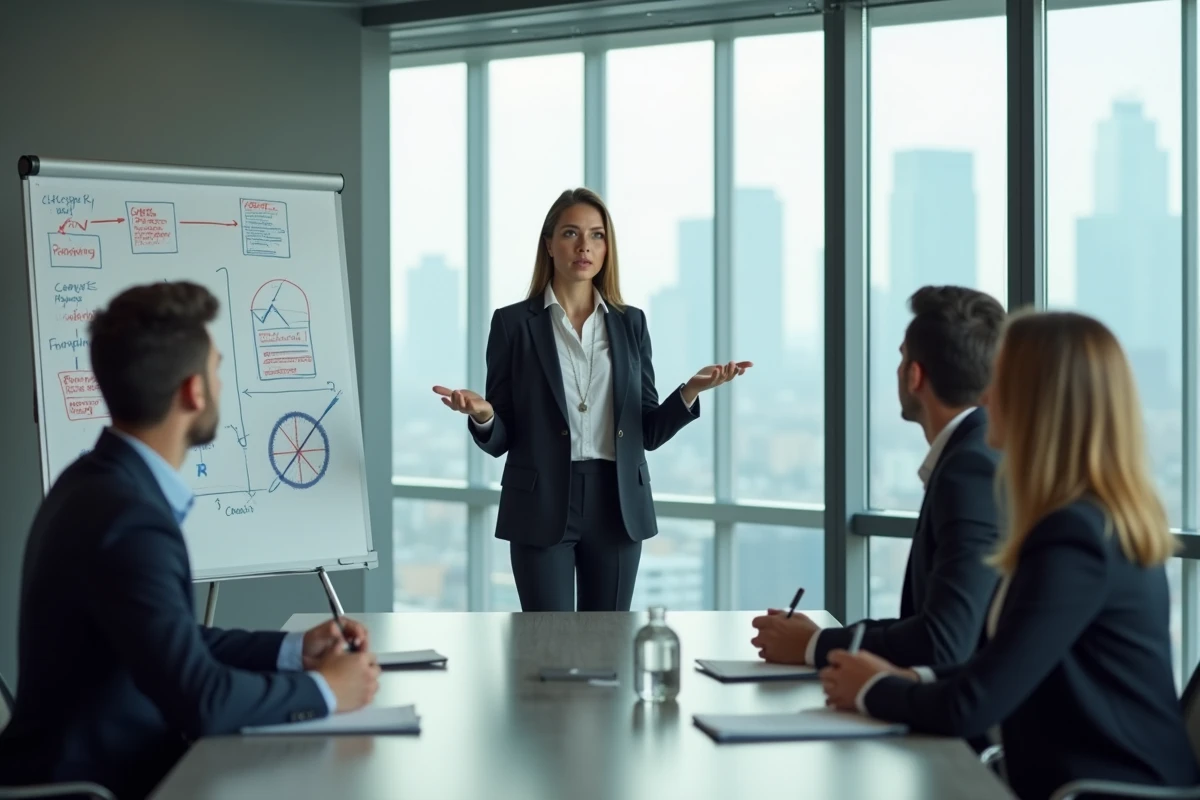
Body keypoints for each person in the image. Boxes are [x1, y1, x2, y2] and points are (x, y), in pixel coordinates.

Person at [0, 282, 381, 800]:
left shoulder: (95, 482)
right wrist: (326, 689)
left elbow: (172, 642)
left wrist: (294, 651)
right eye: (217, 368)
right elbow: (202, 699)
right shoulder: (128, 518)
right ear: (192, 391)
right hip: (92, 787)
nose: (221, 385)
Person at [821, 310, 1200, 800]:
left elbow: (973, 706)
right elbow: (1005, 666)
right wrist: (909, 677)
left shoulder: (1076, 537)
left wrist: (872, 690)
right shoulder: (1085, 520)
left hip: (1105, 791)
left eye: (999, 381)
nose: (983, 397)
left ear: (1039, 403)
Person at [434, 188, 751, 611]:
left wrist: (690, 390)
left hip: (618, 504)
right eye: (571, 233)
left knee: (609, 647)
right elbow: (501, 439)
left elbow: (649, 432)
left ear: (607, 247)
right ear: (549, 243)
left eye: (597, 235)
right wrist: (485, 415)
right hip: (541, 501)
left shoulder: (630, 323)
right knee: (547, 647)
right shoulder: (513, 324)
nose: (585, 245)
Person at [752, 285, 1005, 668]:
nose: (899, 370)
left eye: (902, 359)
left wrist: (815, 645)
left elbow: (943, 640)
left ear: (915, 376)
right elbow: (930, 622)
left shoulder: (969, 470)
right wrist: (814, 639)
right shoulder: (974, 452)